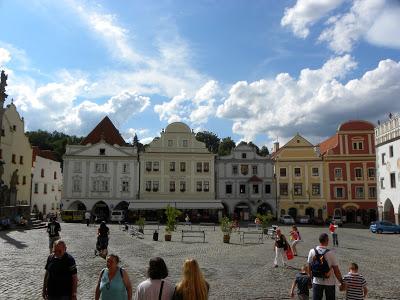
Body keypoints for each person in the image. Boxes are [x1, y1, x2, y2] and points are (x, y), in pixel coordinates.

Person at [307, 233, 345, 300]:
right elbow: (336, 270)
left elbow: (309, 267)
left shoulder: (312, 251)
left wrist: (309, 280)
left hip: (316, 281)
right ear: (327, 240)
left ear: (319, 240)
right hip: (329, 282)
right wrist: (341, 282)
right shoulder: (331, 253)